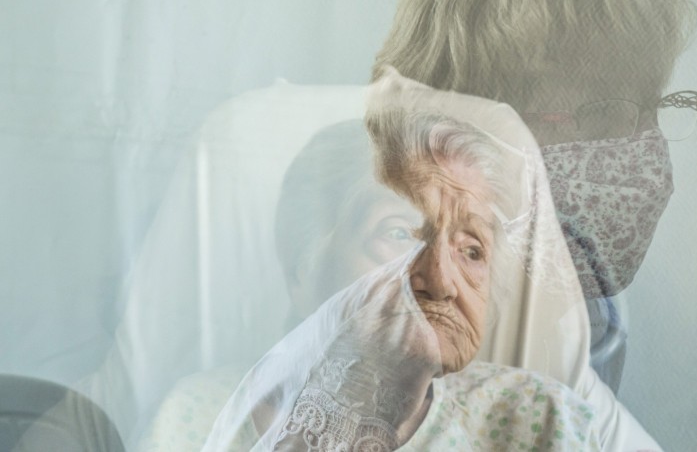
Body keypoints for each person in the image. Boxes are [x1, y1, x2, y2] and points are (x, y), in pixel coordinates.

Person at [140, 82, 608, 451]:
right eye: (398, 233)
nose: (441, 282)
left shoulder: (540, 424)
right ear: (303, 268)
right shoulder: (199, 418)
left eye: (471, 250)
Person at [371, 0, 697, 392]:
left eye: (651, 109)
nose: (645, 149)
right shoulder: (408, 335)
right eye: (607, 112)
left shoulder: (588, 317)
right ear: (475, 127)